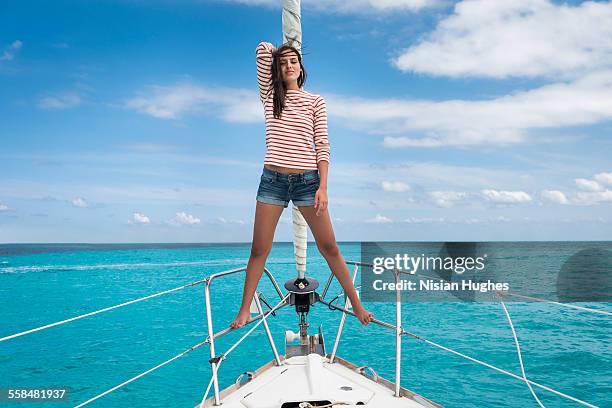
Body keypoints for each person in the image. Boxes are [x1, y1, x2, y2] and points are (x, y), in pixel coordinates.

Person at [230, 41, 373, 329]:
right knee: (259, 248)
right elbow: (260, 48)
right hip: (273, 179)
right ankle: (244, 310)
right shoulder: (270, 95)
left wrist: (323, 187)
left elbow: (322, 145)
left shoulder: (316, 101)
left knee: (329, 246)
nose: (288, 66)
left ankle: (357, 305)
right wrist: (278, 52)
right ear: (276, 69)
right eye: (283, 63)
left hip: (309, 181)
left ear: (301, 66)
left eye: (293, 61)